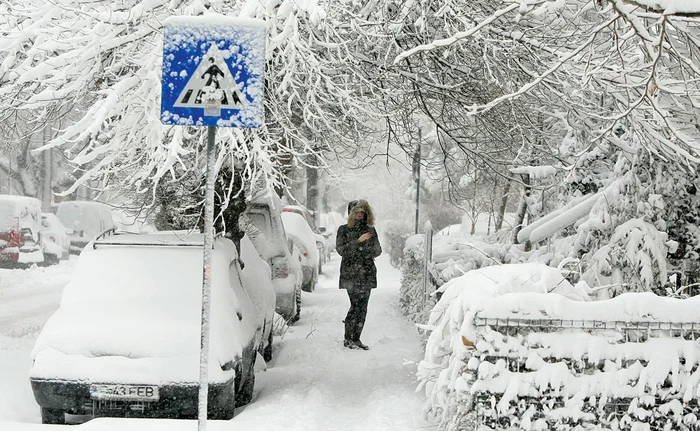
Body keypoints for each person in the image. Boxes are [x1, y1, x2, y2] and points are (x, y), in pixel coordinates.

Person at [336, 199, 382, 350]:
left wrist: (365, 249)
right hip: (351, 274)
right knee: (355, 306)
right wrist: (359, 242)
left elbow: (378, 251)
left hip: (367, 273)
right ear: (351, 213)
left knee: (363, 308)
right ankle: (348, 338)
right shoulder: (343, 230)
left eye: (362, 212)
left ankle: (357, 339)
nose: (360, 215)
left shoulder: (371, 230)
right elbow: (342, 250)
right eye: (357, 212)